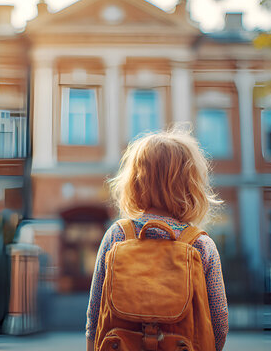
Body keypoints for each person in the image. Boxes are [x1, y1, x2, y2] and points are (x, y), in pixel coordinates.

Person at [85, 127, 229, 351]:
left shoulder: (118, 235)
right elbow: (219, 324)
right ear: (191, 185)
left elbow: (94, 316)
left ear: (135, 181)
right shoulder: (201, 244)